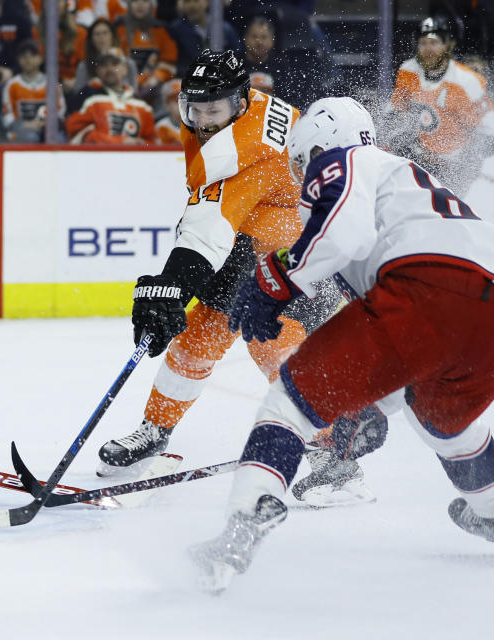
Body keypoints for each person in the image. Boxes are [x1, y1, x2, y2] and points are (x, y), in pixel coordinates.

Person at [191, 97, 494, 592]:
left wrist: (274, 280)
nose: (299, 173)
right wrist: (368, 403)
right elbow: (413, 348)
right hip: (486, 315)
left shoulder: (343, 160)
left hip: (427, 287)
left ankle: (241, 526)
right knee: (443, 423)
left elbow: (343, 236)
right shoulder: (404, 179)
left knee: (288, 404)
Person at [95, 50, 378, 507]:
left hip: (300, 244)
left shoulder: (237, 153)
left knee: (274, 343)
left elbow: (206, 233)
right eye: (197, 110)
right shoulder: (248, 108)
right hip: (254, 237)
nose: (205, 122)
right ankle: (155, 430)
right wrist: (175, 287)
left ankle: (335, 455)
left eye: (215, 111)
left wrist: (171, 285)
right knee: (199, 336)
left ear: (240, 103)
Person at [383, 15, 494, 196]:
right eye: (423, 43)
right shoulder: (408, 71)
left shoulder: (468, 82)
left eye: (434, 43)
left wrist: (470, 162)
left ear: (448, 45)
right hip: (419, 158)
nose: (428, 49)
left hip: (455, 165)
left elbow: (489, 131)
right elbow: (395, 112)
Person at [65, 47, 157, 144]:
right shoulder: (88, 98)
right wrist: (116, 142)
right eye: (104, 65)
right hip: (100, 157)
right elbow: (75, 131)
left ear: (125, 69)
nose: (109, 69)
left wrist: (141, 144)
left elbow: (152, 142)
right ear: (98, 71)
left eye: (114, 64)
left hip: (134, 158)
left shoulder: (141, 105)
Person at [2, 40, 65, 142]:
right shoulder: (12, 85)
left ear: (41, 58)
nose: (28, 60)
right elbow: (7, 116)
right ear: (18, 60)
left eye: (32, 55)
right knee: (30, 138)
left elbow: (60, 112)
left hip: (48, 127)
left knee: (57, 139)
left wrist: (46, 123)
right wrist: (25, 125)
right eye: (23, 56)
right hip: (22, 129)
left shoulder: (53, 84)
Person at [114, 0, 180, 95]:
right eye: (135, 1)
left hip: (155, 86)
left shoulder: (161, 29)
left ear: (152, 5)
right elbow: (115, 60)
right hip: (123, 83)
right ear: (129, 4)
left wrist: (157, 77)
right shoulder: (119, 29)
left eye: (145, 1)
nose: (140, 5)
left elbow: (169, 62)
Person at [168, 0, 241, 75]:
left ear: (207, 2)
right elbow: (174, 60)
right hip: (189, 77)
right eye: (187, 1)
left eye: (196, 1)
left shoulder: (224, 29)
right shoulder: (176, 29)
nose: (192, 5)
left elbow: (237, 55)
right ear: (182, 5)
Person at [72, 17, 139, 90]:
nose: (102, 37)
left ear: (112, 36)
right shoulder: (84, 66)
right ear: (91, 40)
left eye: (105, 33)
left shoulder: (128, 63)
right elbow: (78, 93)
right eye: (97, 34)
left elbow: (134, 91)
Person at [154, 78, 182, 145]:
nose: (181, 105)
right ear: (166, 104)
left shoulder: (199, 124)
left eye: (185, 100)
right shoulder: (161, 126)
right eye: (176, 101)